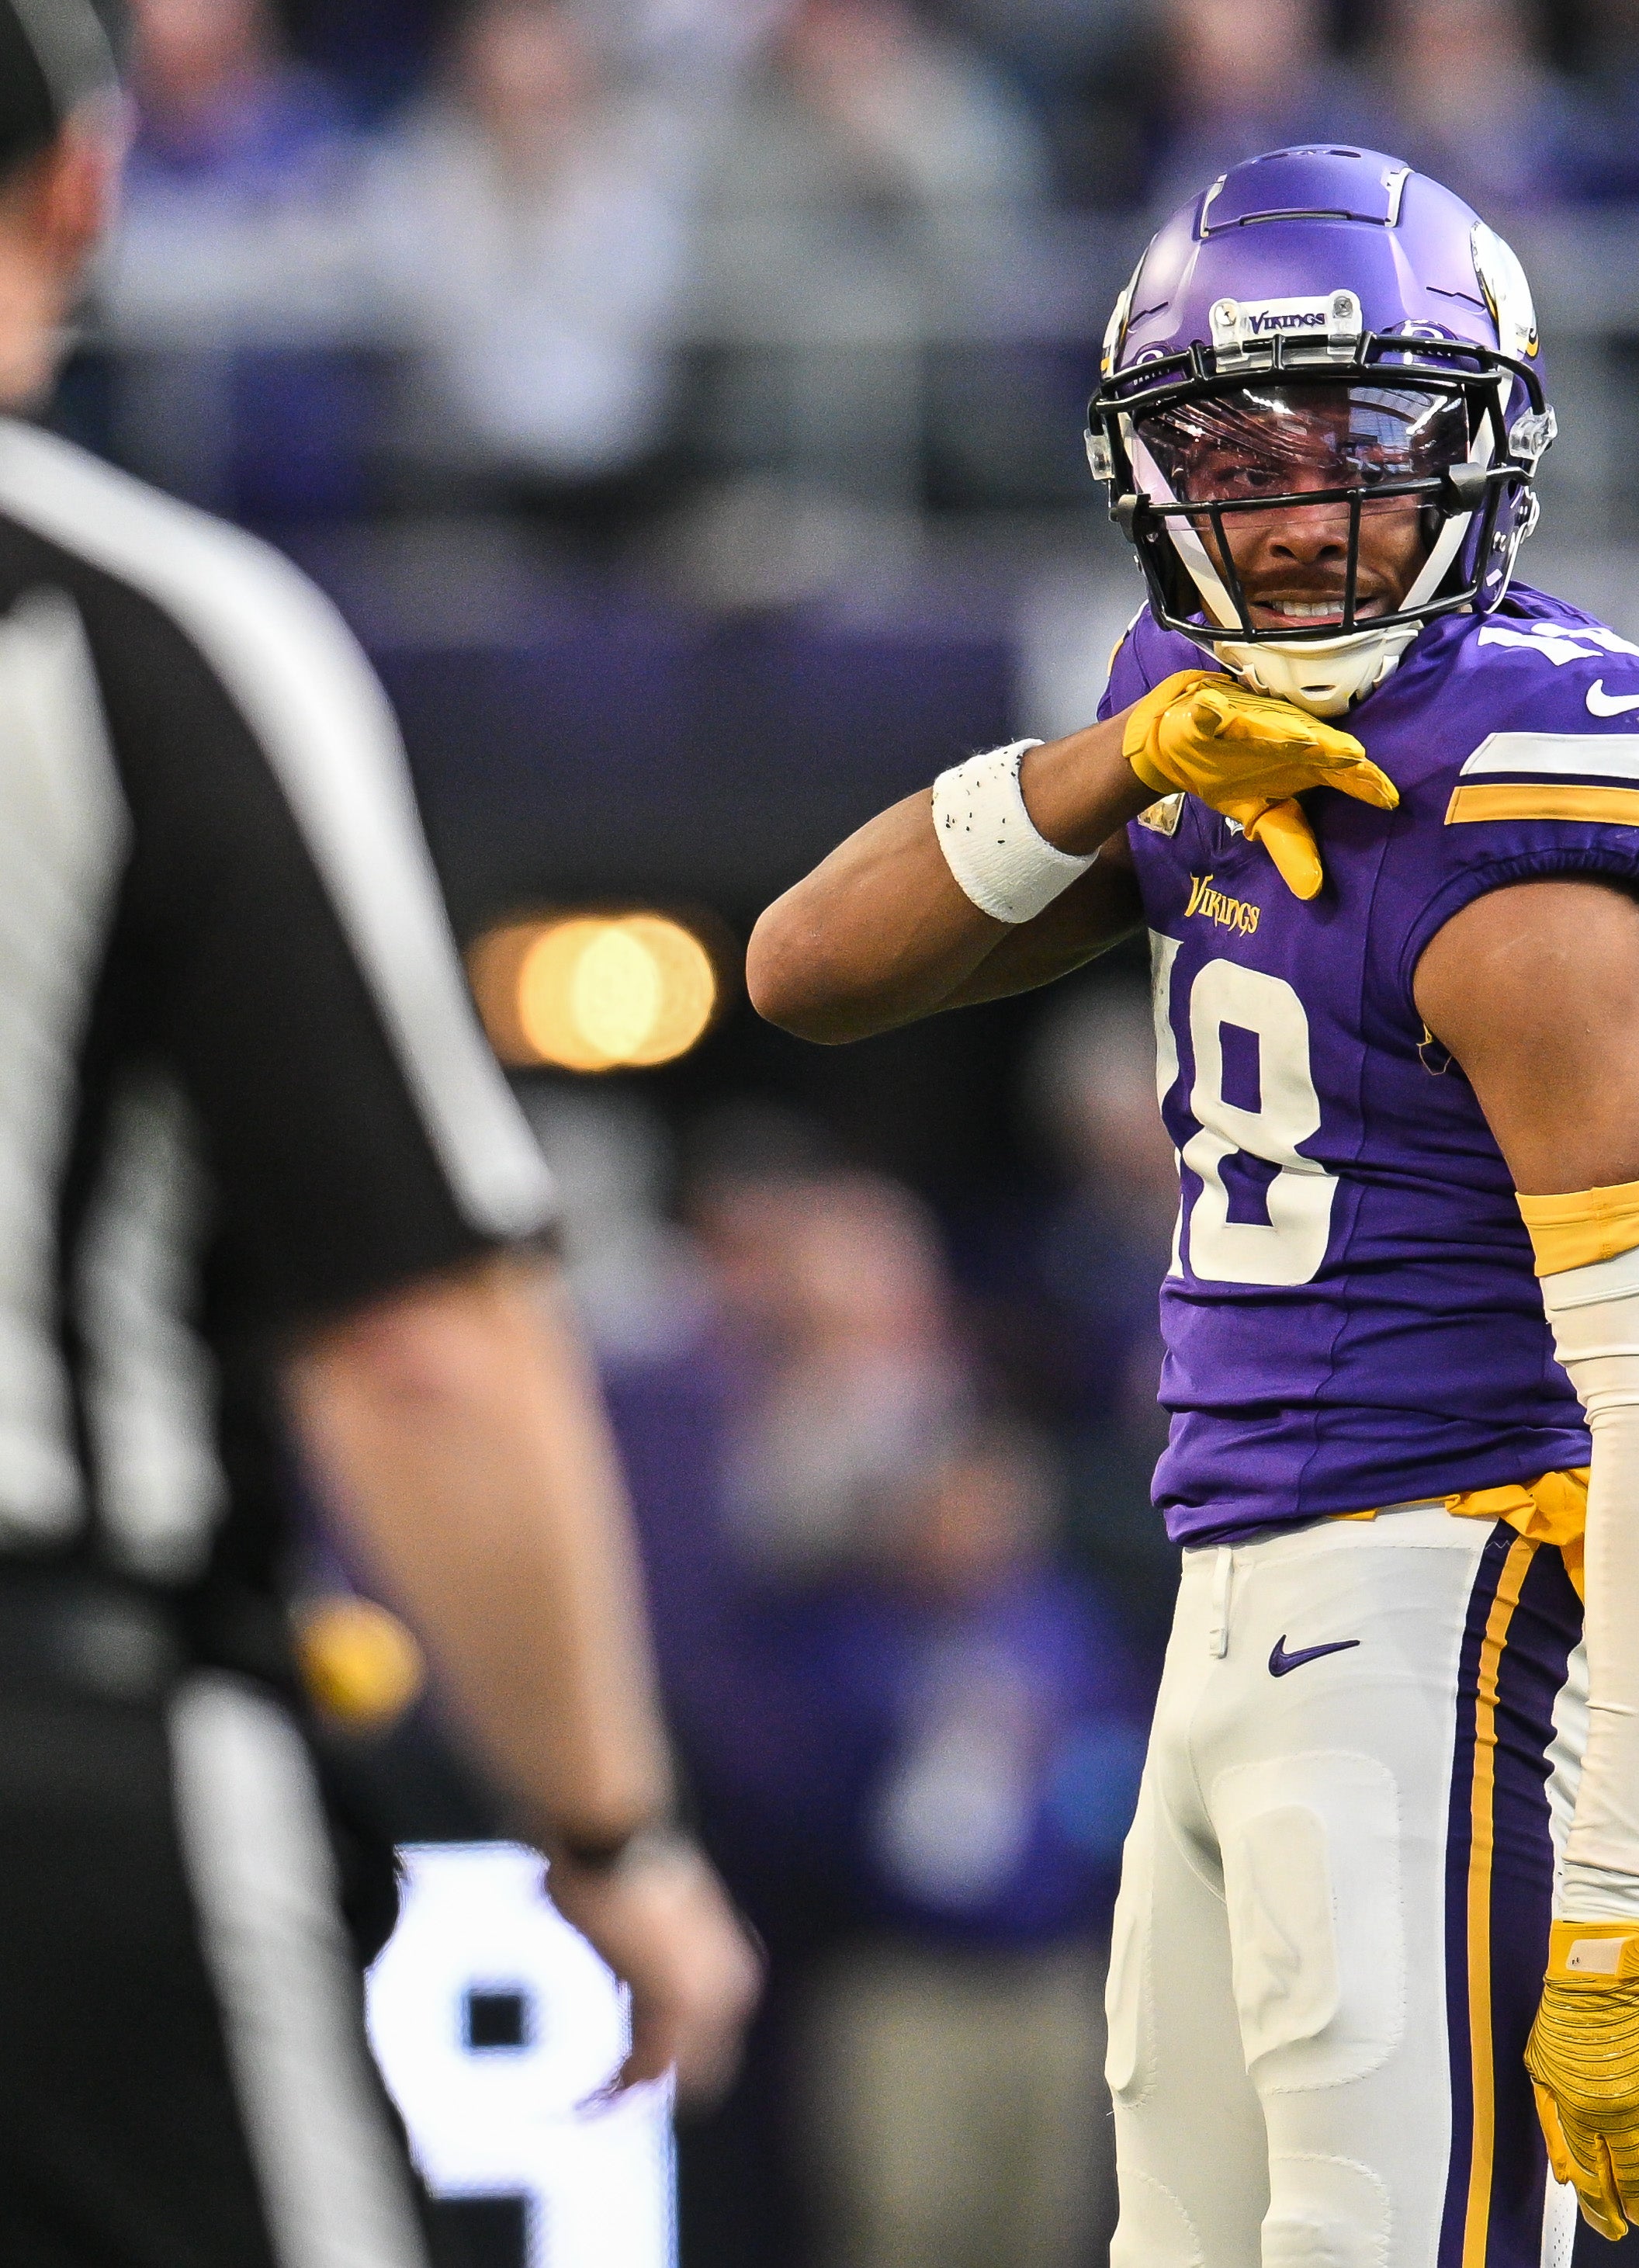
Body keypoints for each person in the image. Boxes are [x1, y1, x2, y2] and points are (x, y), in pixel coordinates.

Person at [747, 146, 1639, 2260]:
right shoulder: (1184, 723)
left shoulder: (1521, 828)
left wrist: (1628, 1911)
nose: (1300, 516)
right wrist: (1116, 763)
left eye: (1365, 452)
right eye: (1237, 454)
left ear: (1482, 458)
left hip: (1442, 1607)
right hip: (1229, 1616)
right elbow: (803, 967)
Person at [0, 5, 759, 2259]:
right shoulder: (141, 639)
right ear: (87, 193)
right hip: (59, 1758)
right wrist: (607, 1831)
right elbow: (425, 1341)